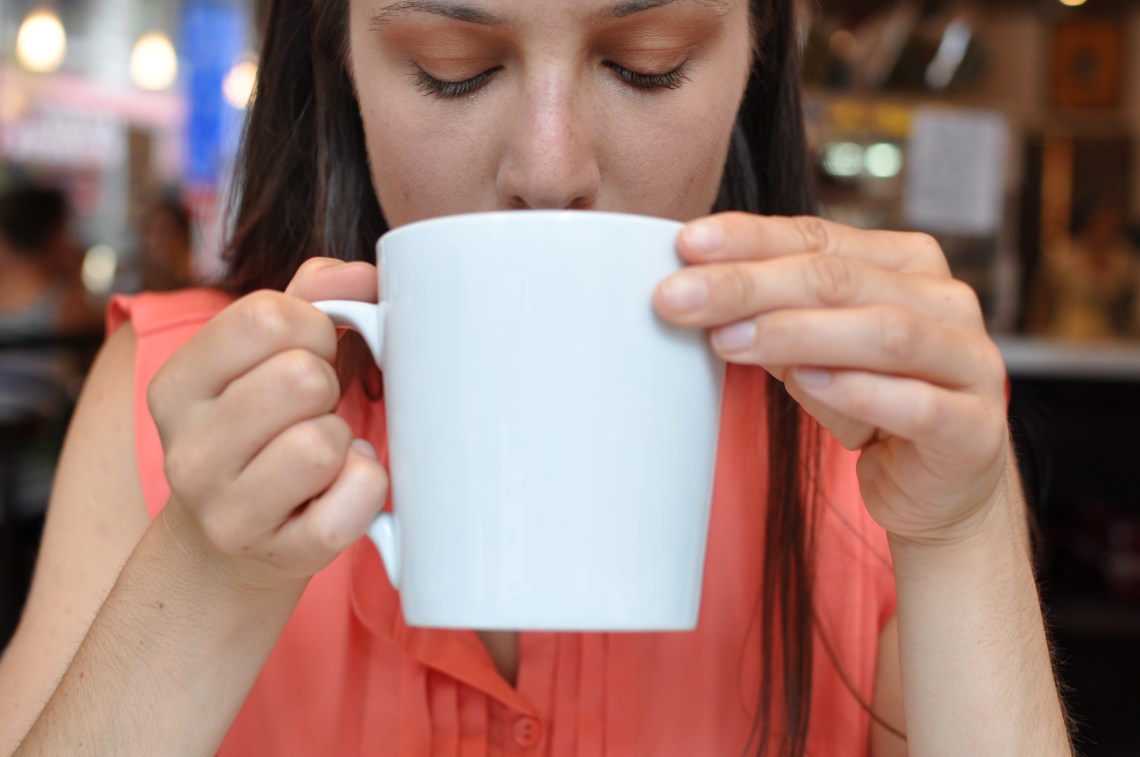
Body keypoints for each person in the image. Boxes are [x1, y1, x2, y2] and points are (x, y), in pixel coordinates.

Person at [0, 0, 1071, 754]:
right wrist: (208, 568)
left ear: (755, 53)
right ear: (340, 62)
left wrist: (963, 532)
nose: (550, 166)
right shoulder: (165, 401)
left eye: (649, 60)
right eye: (451, 66)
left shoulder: (880, 447)